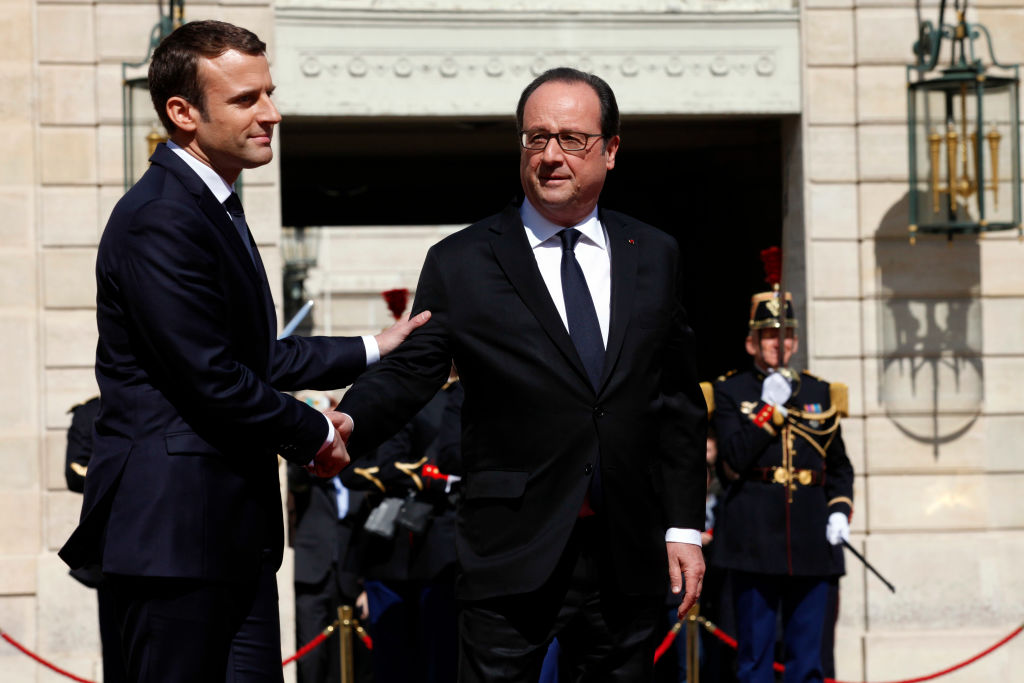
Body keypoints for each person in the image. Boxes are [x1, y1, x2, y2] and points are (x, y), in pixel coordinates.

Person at [57, 20, 426, 682]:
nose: (272, 113)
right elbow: (212, 378)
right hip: (171, 542)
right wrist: (317, 432)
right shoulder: (160, 218)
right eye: (246, 98)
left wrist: (375, 345)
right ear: (182, 112)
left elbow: (252, 359)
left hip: (233, 539)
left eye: (270, 93)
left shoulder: (212, 206)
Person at [334, 67, 708, 682]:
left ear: (611, 151)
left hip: (628, 553)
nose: (551, 156)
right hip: (511, 550)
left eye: (572, 139)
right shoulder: (462, 261)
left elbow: (676, 402)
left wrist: (683, 525)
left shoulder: (655, 254)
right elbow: (412, 371)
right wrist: (348, 420)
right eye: (536, 139)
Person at [709, 280, 853, 683]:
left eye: (785, 335)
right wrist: (768, 411)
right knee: (754, 663)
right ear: (751, 343)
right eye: (769, 336)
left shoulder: (820, 392)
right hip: (753, 540)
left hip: (811, 540)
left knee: (809, 663)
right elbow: (732, 461)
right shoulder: (729, 391)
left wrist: (840, 509)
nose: (778, 343)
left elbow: (839, 467)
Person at [342, 369, 463, 683]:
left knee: (438, 656)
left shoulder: (451, 397)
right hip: (388, 551)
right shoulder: (388, 398)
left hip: (437, 543)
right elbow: (354, 470)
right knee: (395, 659)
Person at [288, 392, 373, 683]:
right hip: (313, 574)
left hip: (348, 577)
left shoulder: (359, 468)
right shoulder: (306, 467)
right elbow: (295, 479)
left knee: (346, 660)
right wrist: (309, 434)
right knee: (311, 658)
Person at [64, 396, 128, 683]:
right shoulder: (90, 412)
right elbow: (74, 472)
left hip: (168, 548)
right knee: (118, 655)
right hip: (113, 551)